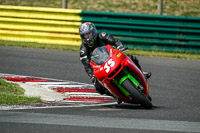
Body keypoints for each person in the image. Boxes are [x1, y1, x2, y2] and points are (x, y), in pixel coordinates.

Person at [79, 22, 151, 97]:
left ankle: (141, 72)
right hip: (101, 67)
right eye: (85, 35)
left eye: (89, 34)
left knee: (131, 58)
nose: (87, 37)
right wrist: (92, 76)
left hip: (112, 57)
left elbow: (115, 41)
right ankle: (115, 95)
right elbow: (87, 66)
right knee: (99, 88)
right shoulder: (83, 51)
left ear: (94, 32)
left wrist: (120, 46)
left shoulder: (102, 35)